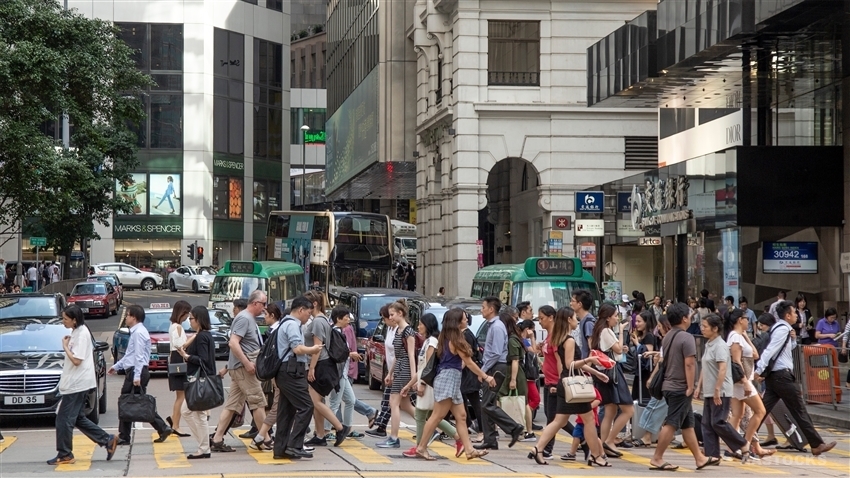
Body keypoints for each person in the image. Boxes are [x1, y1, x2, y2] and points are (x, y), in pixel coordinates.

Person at [528, 305, 609, 467]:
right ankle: (595, 455)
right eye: (574, 318)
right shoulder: (569, 340)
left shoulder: (558, 339)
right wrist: (589, 360)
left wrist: (596, 372)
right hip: (574, 384)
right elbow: (570, 364)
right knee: (588, 419)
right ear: (568, 320)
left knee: (559, 420)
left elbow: (563, 367)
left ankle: (538, 448)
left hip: (565, 383)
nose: (577, 320)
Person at [408, 309, 494, 461]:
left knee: (461, 416)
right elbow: (468, 362)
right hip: (448, 378)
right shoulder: (455, 339)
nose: (466, 319)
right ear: (457, 321)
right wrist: (485, 376)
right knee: (436, 416)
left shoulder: (445, 336)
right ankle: (421, 447)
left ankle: (469, 450)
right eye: (463, 318)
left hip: (452, 379)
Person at [754, 300, 836, 456]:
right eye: (794, 312)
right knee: (799, 410)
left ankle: (744, 440)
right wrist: (758, 370)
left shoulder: (781, 328)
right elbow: (770, 351)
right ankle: (817, 444)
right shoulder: (782, 329)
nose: (796, 315)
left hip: (775, 377)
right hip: (782, 377)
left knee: (762, 410)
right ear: (787, 315)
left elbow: (785, 350)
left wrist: (792, 339)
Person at [648, 303, 716, 471]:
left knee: (687, 424)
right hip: (680, 387)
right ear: (684, 318)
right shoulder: (686, 337)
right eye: (689, 315)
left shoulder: (668, 335)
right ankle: (657, 458)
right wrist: (691, 386)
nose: (691, 317)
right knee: (672, 423)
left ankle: (699, 458)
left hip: (669, 385)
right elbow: (690, 364)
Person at [49, 305, 119, 465]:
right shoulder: (76, 332)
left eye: (65, 319)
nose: (63, 322)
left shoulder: (81, 335)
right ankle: (107, 439)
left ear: (74, 320)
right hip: (76, 382)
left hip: (77, 383)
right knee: (78, 418)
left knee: (63, 419)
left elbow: (77, 360)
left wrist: (65, 347)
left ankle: (65, 453)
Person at [210, 290, 268, 452]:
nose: (265, 308)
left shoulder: (248, 318)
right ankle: (264, 438)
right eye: (263, 304)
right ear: (255, 303)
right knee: (258, 401)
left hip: (241, 368)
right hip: (244, 368)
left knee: (232, 405)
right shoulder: (244, 318)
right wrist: (247, 363)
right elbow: (233, 343)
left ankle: (217, 438)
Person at [401, 313, 464, 458]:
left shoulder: (432, 342)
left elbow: (430, 367)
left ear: (427, 325)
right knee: (432, 415)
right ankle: (458, 439)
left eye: (421, 324)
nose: (418, 327)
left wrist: (421, 384)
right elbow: (422, 368)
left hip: (429, 384)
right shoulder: (427, 341)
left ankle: (419, 447)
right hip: (425, 382)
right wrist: (410, 384)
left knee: (423, 414)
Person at [109, 305, 172, 445]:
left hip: (137, 371)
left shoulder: (138, 333)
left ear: (134, 318)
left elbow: (138, 357)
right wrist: (116, 366)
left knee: (127, 401)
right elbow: (130, 355)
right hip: (137, 370)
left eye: (128, 315)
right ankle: (162, 427)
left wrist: (136, 376)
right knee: (138, 402)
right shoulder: (139, 331)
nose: (126, 318)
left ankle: (125, 436)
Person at [273, 296, 324, 460]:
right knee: (306, 406)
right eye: (308, 313)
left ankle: (281, 448)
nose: (308, 317)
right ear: (301, 310)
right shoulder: (292, 325)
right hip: (291, 371)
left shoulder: (285, 323)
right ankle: (294, 445)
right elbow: (297, 349)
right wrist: (313, 349)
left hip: (286, 370)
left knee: (286, 411)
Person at [694, 314, 749, 463]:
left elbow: (723, 369)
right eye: (702, 326)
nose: (702, 329)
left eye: (705, 326)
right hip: (709, 390)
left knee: (718, 422)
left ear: (715, 328)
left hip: (720, 390)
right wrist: (698, 386)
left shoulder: (720, 346)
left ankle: (743, 444)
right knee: (707, 423)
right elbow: (705, 368)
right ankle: (713, 455)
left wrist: (718, 389)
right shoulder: (709, 344)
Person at [474, 296, 523, 450]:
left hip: (496, 367)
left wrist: (482, 371)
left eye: (483, 307)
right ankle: (490, 439)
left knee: (487, 404)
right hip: (494, 366)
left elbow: (495, 353)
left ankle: (514, 427)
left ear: (491, 309)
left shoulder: (496, 327)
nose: (481, 310)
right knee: (487, 404)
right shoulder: (493, 325)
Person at [303, 290, 350, 447]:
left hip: (321, 365)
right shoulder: (323, 319)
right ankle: (320, 434)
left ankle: (340, 427)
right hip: (324, 364)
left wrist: (311, 369)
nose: (305, 309)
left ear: (314, 304)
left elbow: (317, 347)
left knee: (316, 402)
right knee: (318, 400)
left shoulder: (317, 321)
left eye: (307, 305)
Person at [725, 309, 774, 459]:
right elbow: (736, 362)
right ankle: (745, 444)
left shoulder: (739, 336)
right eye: (746, 318)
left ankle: (733, 447)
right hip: (741, 382)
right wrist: (746, 382)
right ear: (740, 320)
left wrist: (746, 336)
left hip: (741, 382)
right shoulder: (735, 337)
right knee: (760, 411)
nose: (749, 321)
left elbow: (755, 354)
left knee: (737, 415)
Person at [589, 303, 633, 457]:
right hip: (612, 373)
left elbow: (615, 350)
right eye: (615, 315)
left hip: (604, 374)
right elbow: (619, 349)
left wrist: (621, 346)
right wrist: (621, 332)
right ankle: (610, 440)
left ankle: (603, 444)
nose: (617, 318)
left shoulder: (599, 330)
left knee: (610, 410)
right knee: (628, 409)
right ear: (607, 317)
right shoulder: (606, 331)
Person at [175, 306, 217, 459]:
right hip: (201, 379)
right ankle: (203, 444)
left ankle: (204, 448)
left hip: (199, 380)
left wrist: (186, 356)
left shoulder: (202, 337)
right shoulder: (204, 335)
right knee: (188, 411)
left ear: (198, 320)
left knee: (198, 414)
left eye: (191, 318)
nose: (189, 321)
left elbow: (203, 360)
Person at [375, 299, 417, 449]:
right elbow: (397, 355)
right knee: (405, 404)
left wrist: (414, 378)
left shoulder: (408, 331)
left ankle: (393, 437)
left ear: (401, 314)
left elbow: (411, 355)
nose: (390, 317)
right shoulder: (398, 330)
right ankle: (427, 430)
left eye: (392, 314)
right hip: (399, 367)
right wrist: (390, 373)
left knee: (394, 403)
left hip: (405, 369)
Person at [538, 306, 574, 460]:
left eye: (542, 318)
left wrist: (560, 381)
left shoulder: (556, 337)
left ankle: (546, 449)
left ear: (551, 317)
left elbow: (560, 361)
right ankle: (585, 441)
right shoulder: (548, 336)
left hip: (555, 381)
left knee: (554, 418)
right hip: (548, 380)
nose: (540, 321)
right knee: (554, 417)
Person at [250, 303, 286, 451]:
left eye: (266, 314)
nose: (264, 318)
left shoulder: (275, 330)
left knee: (281, 405)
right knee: (278, 405)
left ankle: (269, 436)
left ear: (272, 315)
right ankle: (261, 436)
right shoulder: (276, 330)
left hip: (277, 372)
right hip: (279, 373)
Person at [325, 306, 363, 442]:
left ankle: (346, 428)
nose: (348, 319)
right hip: (338, 373)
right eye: (346, 317)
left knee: (350, 401)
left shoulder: (340, 332)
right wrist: (350, 354)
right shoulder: (335, 332)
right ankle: (326, 431)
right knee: (335, 403)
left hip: (344, 373)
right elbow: (336, 353)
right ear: (338, 319)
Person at [634, 314, 672, 448]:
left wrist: (652, 377)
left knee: (654, 405)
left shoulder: (668, 339)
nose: (658, 329)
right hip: (675, 381)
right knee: (679, 411)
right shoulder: (673, 339)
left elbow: (662, 361)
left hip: (667, 380)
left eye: (660, 326)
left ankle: (647, 436)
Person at [365, 304, 396, 439]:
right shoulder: (389, 329)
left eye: (385, 317)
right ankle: (381, 427)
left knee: (398, 404)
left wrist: (392, 372)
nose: (384, 320)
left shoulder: (401, 331)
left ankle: (431, 427)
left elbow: (401, 355)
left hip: (398, 372)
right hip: (391, 370)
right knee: (388, 401)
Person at [498, 312, 530, 440]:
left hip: (515, 373)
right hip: (515, 373)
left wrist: (512, 379)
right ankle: (524, 429)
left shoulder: (512, 340)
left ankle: (524, 429)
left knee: (521, 401)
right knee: (522, 401)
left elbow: (515, 360)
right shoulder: (515, 337)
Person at [166, 301, 192, 438]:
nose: (188, 317)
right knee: (181, 396)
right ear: (182, 313)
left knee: (180, 395)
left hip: (175, 359)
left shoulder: (173, 326)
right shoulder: (178, 327)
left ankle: (173, 419)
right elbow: (179, 345)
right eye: (187, 313)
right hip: (179, 359)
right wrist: (193, 338)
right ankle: (175, 425)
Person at [460, 307, 484, 441]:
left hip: (469, 373)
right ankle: (468, 425)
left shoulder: (467, 335)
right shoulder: (463, 334)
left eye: (464, 318)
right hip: (466, 373)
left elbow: (467, 357)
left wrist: (459, 368)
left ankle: (481, 430)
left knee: (474, 402)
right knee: (462, 401)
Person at [518, 319, 540, 441]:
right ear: (528, 329)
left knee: (532, 400)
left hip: (528, 375)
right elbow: (534, 351)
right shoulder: (523, 341)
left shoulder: (522, 340)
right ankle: (526, 420)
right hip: (527, 376)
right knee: (535, 399)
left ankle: (527, 419)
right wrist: (532, 338)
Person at [630, 310, 657, 403]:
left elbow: (648, 352)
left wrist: (637, 344)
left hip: (645, 373)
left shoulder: (649, 336)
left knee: (643, 397)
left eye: (639, 321)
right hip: (640, 372)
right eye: (636, 321)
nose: (636, 324)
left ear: (646, 322)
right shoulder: (641, 335)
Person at [573, 290, 595, 359]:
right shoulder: (583, 320)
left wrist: (586, 366)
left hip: (587, 365)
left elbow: (592, 349)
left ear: (579, 304)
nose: (570, 303)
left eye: (572, 301)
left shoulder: (588, 323)